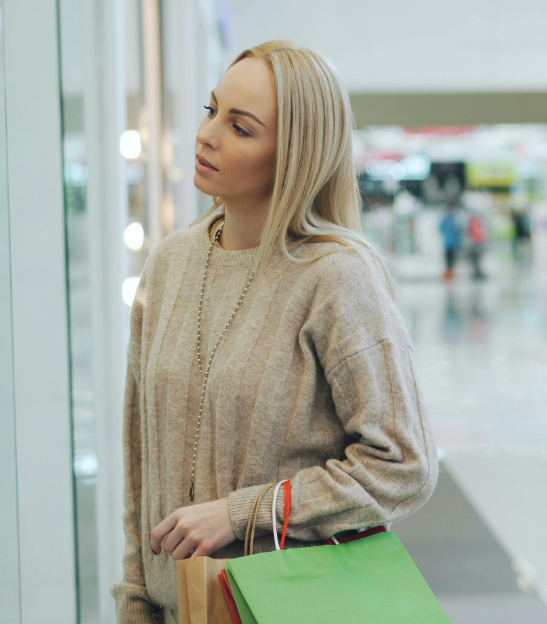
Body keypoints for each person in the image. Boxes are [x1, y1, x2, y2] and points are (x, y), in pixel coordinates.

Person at [111, 41, 438, 624]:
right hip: (178, 610)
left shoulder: (335, 275)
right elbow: (141, 458)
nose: (207, 135)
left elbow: (403, 464)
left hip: (287, 605)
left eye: (241, 128)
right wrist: (135, 603)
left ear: (294, 154)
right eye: (212, 112)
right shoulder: (170, 263)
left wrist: (241, 514)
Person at [439, 201, 463, 281]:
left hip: (451, 243)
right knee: (449, 260)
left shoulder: (452, 218)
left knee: (451, 260)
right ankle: (449, 276)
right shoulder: (451, 219)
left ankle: (450, 275)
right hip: (449, 243)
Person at [466, 209, 488, 280]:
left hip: (477, 243)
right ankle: (477, 272)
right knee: (476, 259)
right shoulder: (475, 222)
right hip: (475, 243)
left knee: (477, 259)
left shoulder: (474, 221)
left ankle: (477, 272)